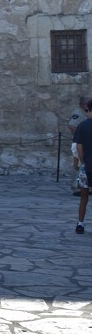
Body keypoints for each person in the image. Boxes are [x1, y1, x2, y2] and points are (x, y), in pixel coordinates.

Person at [72, 104, 92, 233]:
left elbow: (78, 146)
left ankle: (80, 223)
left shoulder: (83, 126)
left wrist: (81, 160)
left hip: (86, 166)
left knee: (83, 198)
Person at [67, 97, 89, 197]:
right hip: (79, 143)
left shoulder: (86, 113)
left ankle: (85, 186)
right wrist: (82, 136)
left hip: (86, 143)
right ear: (83, 104)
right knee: (77, 165)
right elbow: (72, 126)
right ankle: (76, 187)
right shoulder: (78, 113)